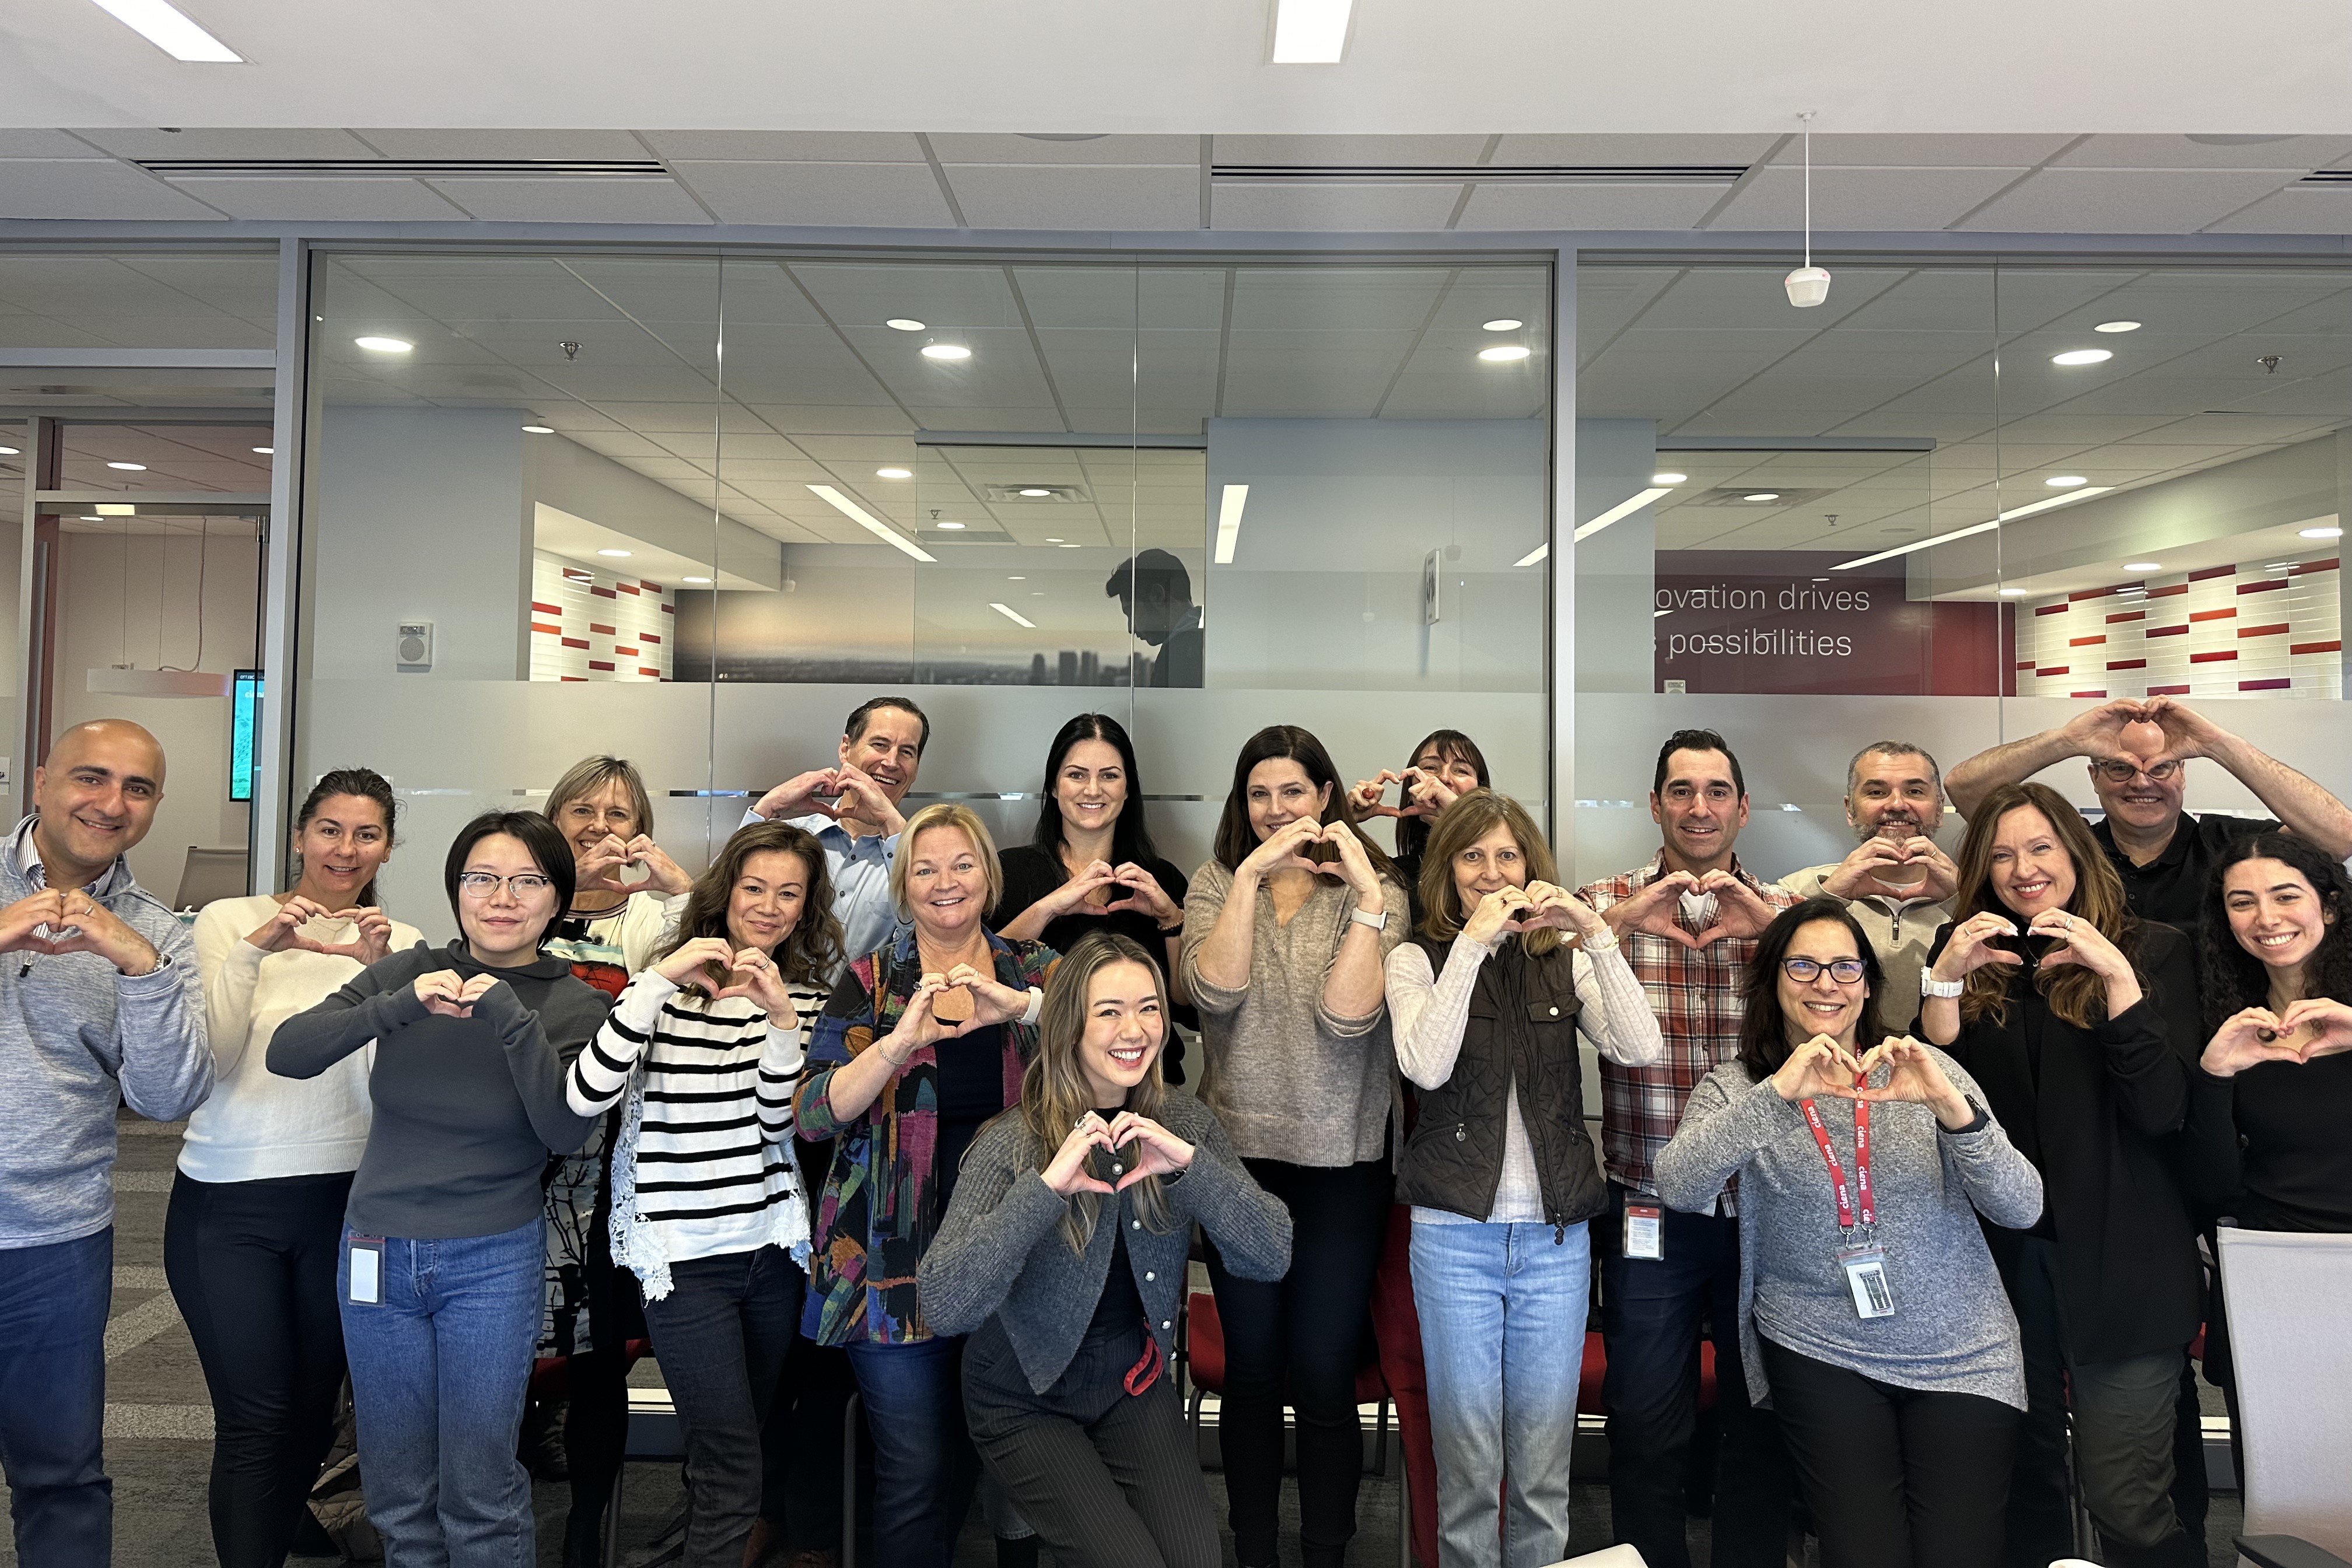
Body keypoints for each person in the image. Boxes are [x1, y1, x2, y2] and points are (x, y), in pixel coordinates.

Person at [270, 811, 611, 1568]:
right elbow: (288, 1053)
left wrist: (503, 1012)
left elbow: (562, 1127)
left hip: (492, 1262)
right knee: (396, 1489)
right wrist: (397, 1004)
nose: (501, 897)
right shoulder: (408, 970)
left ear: (558, 901)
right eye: (481, 878)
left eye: (528, 882)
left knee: (480, 1488)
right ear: (457, 890)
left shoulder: (579, 1006)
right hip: (375, 1255)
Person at [1657, 900, 2043, 1568]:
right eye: (1803, 965)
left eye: (1844, 966)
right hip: (1820, 1343)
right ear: (1773, 980)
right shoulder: (1741, 1087)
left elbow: (2022, 1207)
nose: (1825, 984)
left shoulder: (1928, 1070)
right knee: (1868, 1554)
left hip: (1961, 1348)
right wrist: (1778, 1095)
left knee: (1960, 1554)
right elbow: (1680, 1186)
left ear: (1868, 983)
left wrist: (1954, 1113)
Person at [919, 932, 1293, 1568]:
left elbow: (1271, 1254)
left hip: (1131, 1380)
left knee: (1198, 1561)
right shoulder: (1011, 1141)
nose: (1136, 1029)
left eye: (1149, 1008)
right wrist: (1044, 1191)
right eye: (1110, 1011)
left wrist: (1188, 1168)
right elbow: (944, 1303)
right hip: (1019, 1396)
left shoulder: (1185, 1125)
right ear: (1069, 1027)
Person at [1917, 781, 2204, 1568]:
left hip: (2127, 1259)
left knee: (2126, 1494)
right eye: (2002, 853)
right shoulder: (1965, 948)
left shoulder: (2152, 948)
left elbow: (2163, 1111)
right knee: (2024, 1481)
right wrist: (1944, 977)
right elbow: (1933, 1099)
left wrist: (2117, 979)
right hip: (2002, 1262)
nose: (2022, 868)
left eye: (2041, 847)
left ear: (2077, 852)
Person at [1384, 789, 1662, 1568]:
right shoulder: (1416, 958)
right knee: (1470, 1474)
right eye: (1473, 856)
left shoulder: (1561, 962)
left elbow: (1638, 1047)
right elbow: (1425, 1064)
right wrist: (1470, 945)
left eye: (1508, 855)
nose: (1491, 871)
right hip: (1454, 1242)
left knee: (1543, 1476)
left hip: (1554, 1242)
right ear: (1448, 869)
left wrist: (1598, 936)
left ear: (1533, 866)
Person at [567, 820, 842, 1568]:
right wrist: (654, 984)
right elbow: (586, 1095)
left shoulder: (809, 1000)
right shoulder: (660, 984)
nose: (770, 906)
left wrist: (783, 1019)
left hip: (772, 1253)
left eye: (791, 893)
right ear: (724, 893)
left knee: (739, 1442)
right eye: (754, 888)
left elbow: (775, 1121)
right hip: (682, 1256)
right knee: (732, 1464)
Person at [173, 768, 424, 1568]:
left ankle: (287, 1535)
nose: (345, 850)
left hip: (350, 1203)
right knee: (258, 1417)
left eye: (367, 833)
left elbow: (405, 1090)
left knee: (314, 1416)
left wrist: (380, 978)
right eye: (329, 830)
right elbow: (202, 1060)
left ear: (387, 845)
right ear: (297, 836)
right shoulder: (228, 921)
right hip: (228, 1201)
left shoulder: (407, 942)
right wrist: (260, 949)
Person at [796, 803, 1058, 1568]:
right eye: (926, 868)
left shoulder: (1037, 970)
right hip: (891, 1264)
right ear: (904, 886)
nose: (946, 883)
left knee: (1015, 1463)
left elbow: (1105, 1059)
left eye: (962, 864)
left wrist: (1019, 1008)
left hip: (1013, 1262)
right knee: (913, 1472)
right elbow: (813, 1113)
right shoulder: (872, 982)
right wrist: (898, 1043)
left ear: (990, 875)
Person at [1180, 723, 1409, 1568]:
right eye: (1259, 794)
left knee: (1319, 1377)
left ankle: (1325, 1554)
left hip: (1344, 1166)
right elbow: (1215, 990)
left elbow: (1347, 1018)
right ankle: (1255, 1555)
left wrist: (1366, 898)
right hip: (1241, 1159)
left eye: (1294, 792)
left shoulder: (1374, 885)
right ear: (1243, 806)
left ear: (1325, 798)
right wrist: (1246, 876)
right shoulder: (1213, 882)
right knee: (1250, 1373)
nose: (1277, 809)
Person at [1573, 727, 1797, 1568]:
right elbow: (1531, 955)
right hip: (1650, 1206)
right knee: (1647, 1419)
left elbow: (1849, 992)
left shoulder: (1784, 914)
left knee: (1761, 1417)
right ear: (1655, 802)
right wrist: (1619, 922)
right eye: (1680, 790)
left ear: (1742, 808)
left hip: (1766, 1209)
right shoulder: (1604, 904)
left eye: (1715, 792)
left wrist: (1770, 927)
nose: (1698, 808)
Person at [0, 719, 211, 1567]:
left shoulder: (161, 934)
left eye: (138, 788)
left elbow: (167, 1097)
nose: (110, 803)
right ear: (43, 778)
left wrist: (140, 967)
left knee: (61, 1478)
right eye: (92, 777)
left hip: (54, 1241)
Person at [537, 754, 694, 1563]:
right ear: (554, 827)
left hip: (619, 1172)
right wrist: (557, 892)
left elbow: (716, 950)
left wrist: (667, 885)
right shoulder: (522, 901)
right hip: (526, 1164)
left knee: (599, 1355)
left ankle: (586, 1525)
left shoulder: (651, 920)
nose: (602, 829)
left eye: (620, 815)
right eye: (583, 814)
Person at [2180, 832, 2352, 1456]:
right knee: (2281, 1480)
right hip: (2269, 1275)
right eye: (2242, 902)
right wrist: (2215, 1078)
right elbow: (2211, 1186)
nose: (2267, 919)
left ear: (2329, 906)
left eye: (2286, 896)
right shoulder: (2221, 1022)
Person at [1944, 694, 2352, 933]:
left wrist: (2220, 746)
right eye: (2121, 768)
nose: (2141, 783)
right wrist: (2064, 740)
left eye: (2160, 767)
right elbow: (1965, 790)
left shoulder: (2233, 847)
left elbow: (2339, 839)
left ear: (2183, 773)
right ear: (2095, 777)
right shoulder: (2070, 852)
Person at [993, 712, 1193, 1081]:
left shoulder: (1160, 879)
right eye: (1076, 774)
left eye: (1110, 776)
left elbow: (1185, 1008)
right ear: (1054, 787)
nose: (1093, 790)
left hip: (1149, 1087)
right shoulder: (1011, 872)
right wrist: (1049, 907)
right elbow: (985, 976)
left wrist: (1171, 918)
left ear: (1128, 788)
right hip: (1040, 1084)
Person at [1778, 741, 1957, 1020]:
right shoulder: (1797, 889)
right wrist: (1829, 896)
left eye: (1915, 791)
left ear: (1939, 808)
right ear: (1850, 810)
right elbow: (1769, 972)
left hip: (1948, 1062)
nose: (1897, 804)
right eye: (1877, 792)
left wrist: (1963, 900)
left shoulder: (1979, 892)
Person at [744, 695, 931, 961]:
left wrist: (893, 825)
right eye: (880, 744)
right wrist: (767, 808)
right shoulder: (790, 837)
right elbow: (721, 905)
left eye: (907, 752)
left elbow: (929, 942)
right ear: (846, 749)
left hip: (863, 1003)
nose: (891, 762)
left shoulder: (924, 862)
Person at [1350, 728, 1488, 923]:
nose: (1444, 778)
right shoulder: (1394, 875)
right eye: (1431, 768)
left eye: (1461, 770)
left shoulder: (1501, 867)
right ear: (1410, 789)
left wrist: (1458, 816)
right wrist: (1344, 817)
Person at [1105, 548, 1202, 688]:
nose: (1131, 628)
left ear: (1157, 596)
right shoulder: (1210, 638)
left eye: (1131, 613)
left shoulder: (1179, 653)